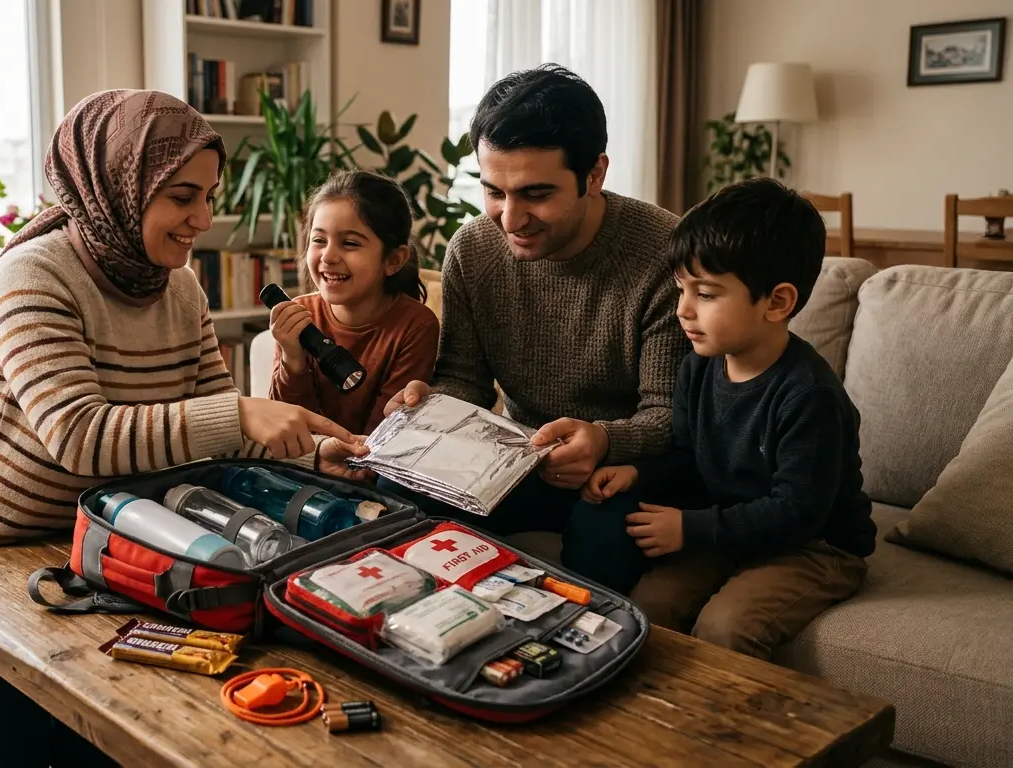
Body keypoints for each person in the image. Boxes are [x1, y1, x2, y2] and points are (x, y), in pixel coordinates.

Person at [0, 89, 368, 768]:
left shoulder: (180, 288)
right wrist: (243, 411)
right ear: (120, 185)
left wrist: (312, 454)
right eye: (182, 196)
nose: (202, 218)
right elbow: (78, 434)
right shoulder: (31, 276)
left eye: (209, 195)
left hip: (109, 544)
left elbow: (214, 427)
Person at [382, 64, 688, 594]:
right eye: (494, 191)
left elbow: (670, 416)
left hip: (624, 466)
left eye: (536, 194)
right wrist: (430, 410)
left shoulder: (665, 253)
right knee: (396, 493)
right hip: (517, 454)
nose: (509, 218)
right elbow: (464, 380)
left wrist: (604, 439)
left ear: (595, 174)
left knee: (605, 537)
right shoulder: (473, 249)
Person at [585, 178, 876, 660]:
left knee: (726, 629)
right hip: (730, 529)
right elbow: (687, 456)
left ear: (777, 303)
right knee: (647, 608)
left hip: (815, 546)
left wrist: (691, 530)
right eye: (682, 288)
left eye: (707, 293)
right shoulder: (698, 365)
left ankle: (723, 733)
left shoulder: (809, 396)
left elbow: (796, 512)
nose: (683, 309)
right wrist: (638, 471)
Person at [269, 170, 440, 435]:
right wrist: (293, 359)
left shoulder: (415, 327)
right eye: (318, 240)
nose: (328, 256)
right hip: (305, 463)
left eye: (349, 243)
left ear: (393, 260)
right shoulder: (299, 316)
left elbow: (383, 437)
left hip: (366, 468)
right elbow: (283, 429)